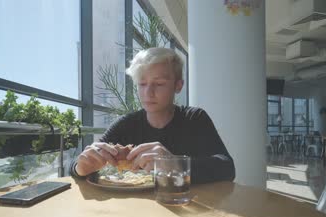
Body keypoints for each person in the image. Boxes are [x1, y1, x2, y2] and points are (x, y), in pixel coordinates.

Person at [69, 47, 235, 183]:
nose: (148, 92)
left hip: (188, 207)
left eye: (159, 84)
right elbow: (78, 165)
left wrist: (174, 164)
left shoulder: (194, 119)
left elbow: (227, 168)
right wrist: (81, 167)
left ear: (178, 86)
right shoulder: (127, 125)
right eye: (142, 84)